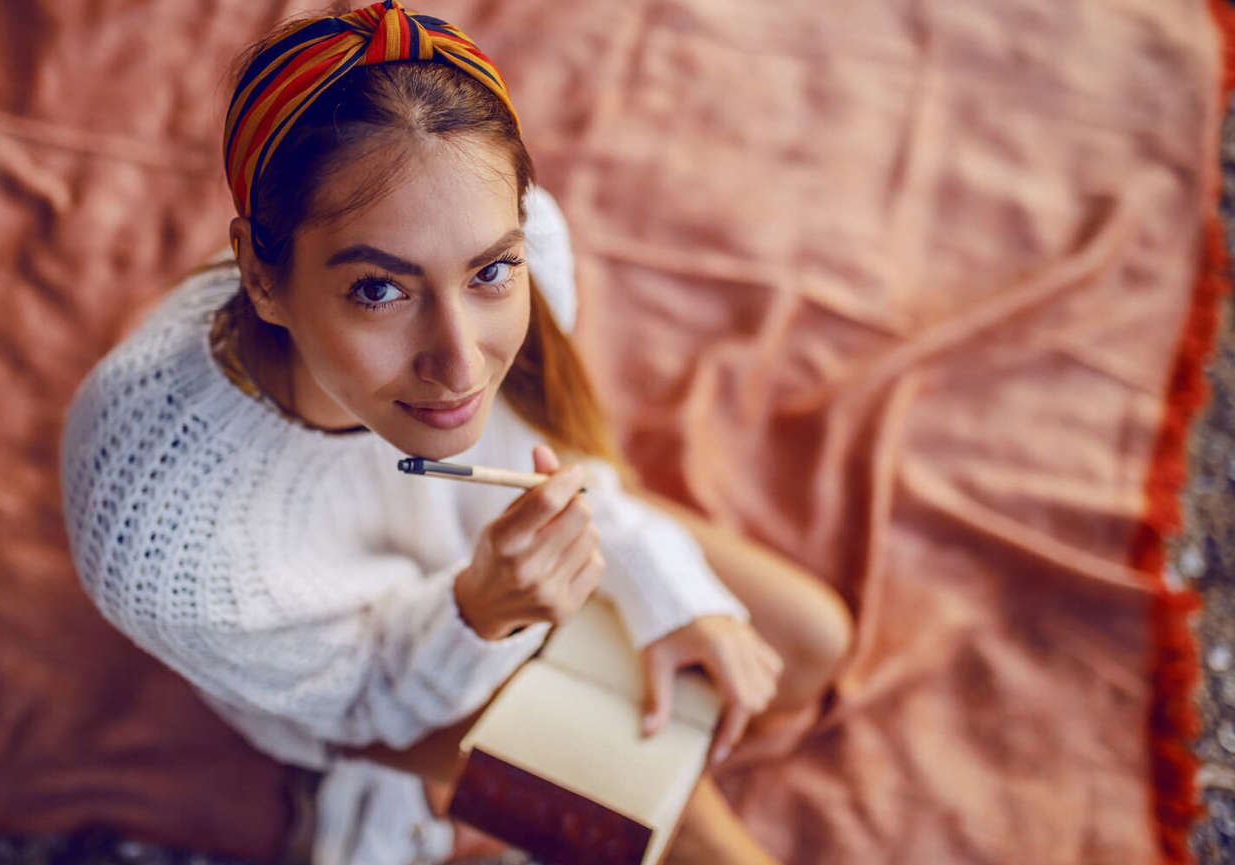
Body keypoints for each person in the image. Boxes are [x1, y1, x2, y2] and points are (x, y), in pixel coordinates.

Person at [58, 2, 853, 863]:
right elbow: (356, 700)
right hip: (368, 676)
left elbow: (561, 464)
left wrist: (665, 589)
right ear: (260, 273)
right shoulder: (154, 525)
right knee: (681, 818)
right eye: (378, 290)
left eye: (488, 272)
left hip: (491, 572)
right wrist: (479, 614)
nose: (461, 363)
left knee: (809, 645)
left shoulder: (528, 241)